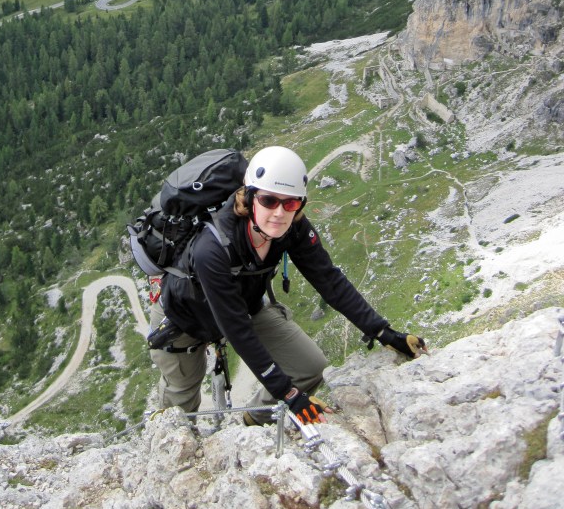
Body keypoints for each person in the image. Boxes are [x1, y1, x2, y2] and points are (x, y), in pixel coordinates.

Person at [149, 145, 427, 425]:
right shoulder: (213, 248)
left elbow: (329, 281)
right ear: (250, 197)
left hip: (245, 306)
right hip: (184, 319)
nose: (280, 213)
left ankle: (251, 424)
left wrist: (384, 332)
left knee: (310, 368)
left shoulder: (294, 228)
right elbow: (235, 330)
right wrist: (288, 394)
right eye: (269, 201)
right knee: (181, 404)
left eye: (291, 203)